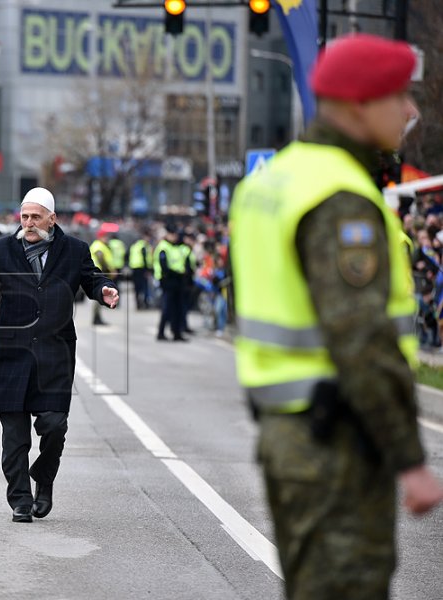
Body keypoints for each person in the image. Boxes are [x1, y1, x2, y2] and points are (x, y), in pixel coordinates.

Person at [229, 34, 443, 600]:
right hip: (337, 443)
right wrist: (411, 460)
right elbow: (362, 340)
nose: (410, 110)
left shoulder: (270, 182)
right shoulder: (340, 196)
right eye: (397, 96)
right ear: (357, 106)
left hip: (288, 433)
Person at [0, 187, 118, 522]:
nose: (28, 224)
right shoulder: (2, 248)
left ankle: (43, 481)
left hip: (54, 356)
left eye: (35, 217)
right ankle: (20, 500)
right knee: (14, 438)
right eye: (25, 217)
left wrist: (103, 290)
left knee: (54, 425)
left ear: (52, 219)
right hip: (11, 355)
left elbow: (90, 279)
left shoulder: (74, 250)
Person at [153, 226, 187, 342]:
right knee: (167, 308)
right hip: (167, 281)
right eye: (173, 234)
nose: (175, 237)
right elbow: (165, 267)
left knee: (177, 308)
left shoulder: (175, 247)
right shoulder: (164, 247)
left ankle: (176, 333)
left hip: (177, 281)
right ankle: (161, 332)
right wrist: (177, 273)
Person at [89, 228, 115, 326]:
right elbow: (100, 258)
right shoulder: (98, 246)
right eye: (105, 236)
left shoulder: (100, 245)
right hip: (99, 273)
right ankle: (96, 318)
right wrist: (108, 270)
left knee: (99, 297)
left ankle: (97, 318)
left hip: (98, 273)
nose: (107, 238)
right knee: (98, 296)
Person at [128, 229, 152, 310]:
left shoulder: (135, 245)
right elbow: (145, 258)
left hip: (134, 268)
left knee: (137, 288)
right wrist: (147, 270)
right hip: (141, 268)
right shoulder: (144, 246)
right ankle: (144, 303)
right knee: (143, 287)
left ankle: (138, 303)